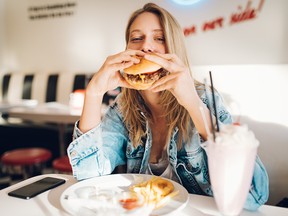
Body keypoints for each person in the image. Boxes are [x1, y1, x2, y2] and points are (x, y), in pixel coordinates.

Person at [67, 2, 269, 211]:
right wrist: (93, 94)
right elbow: (87, 179)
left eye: (160, 38)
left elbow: (254, 195)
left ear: (174, 48)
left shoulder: (204, 99)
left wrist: (192, 102)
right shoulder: (122, 109)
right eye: (136, 38)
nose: (146, 46)